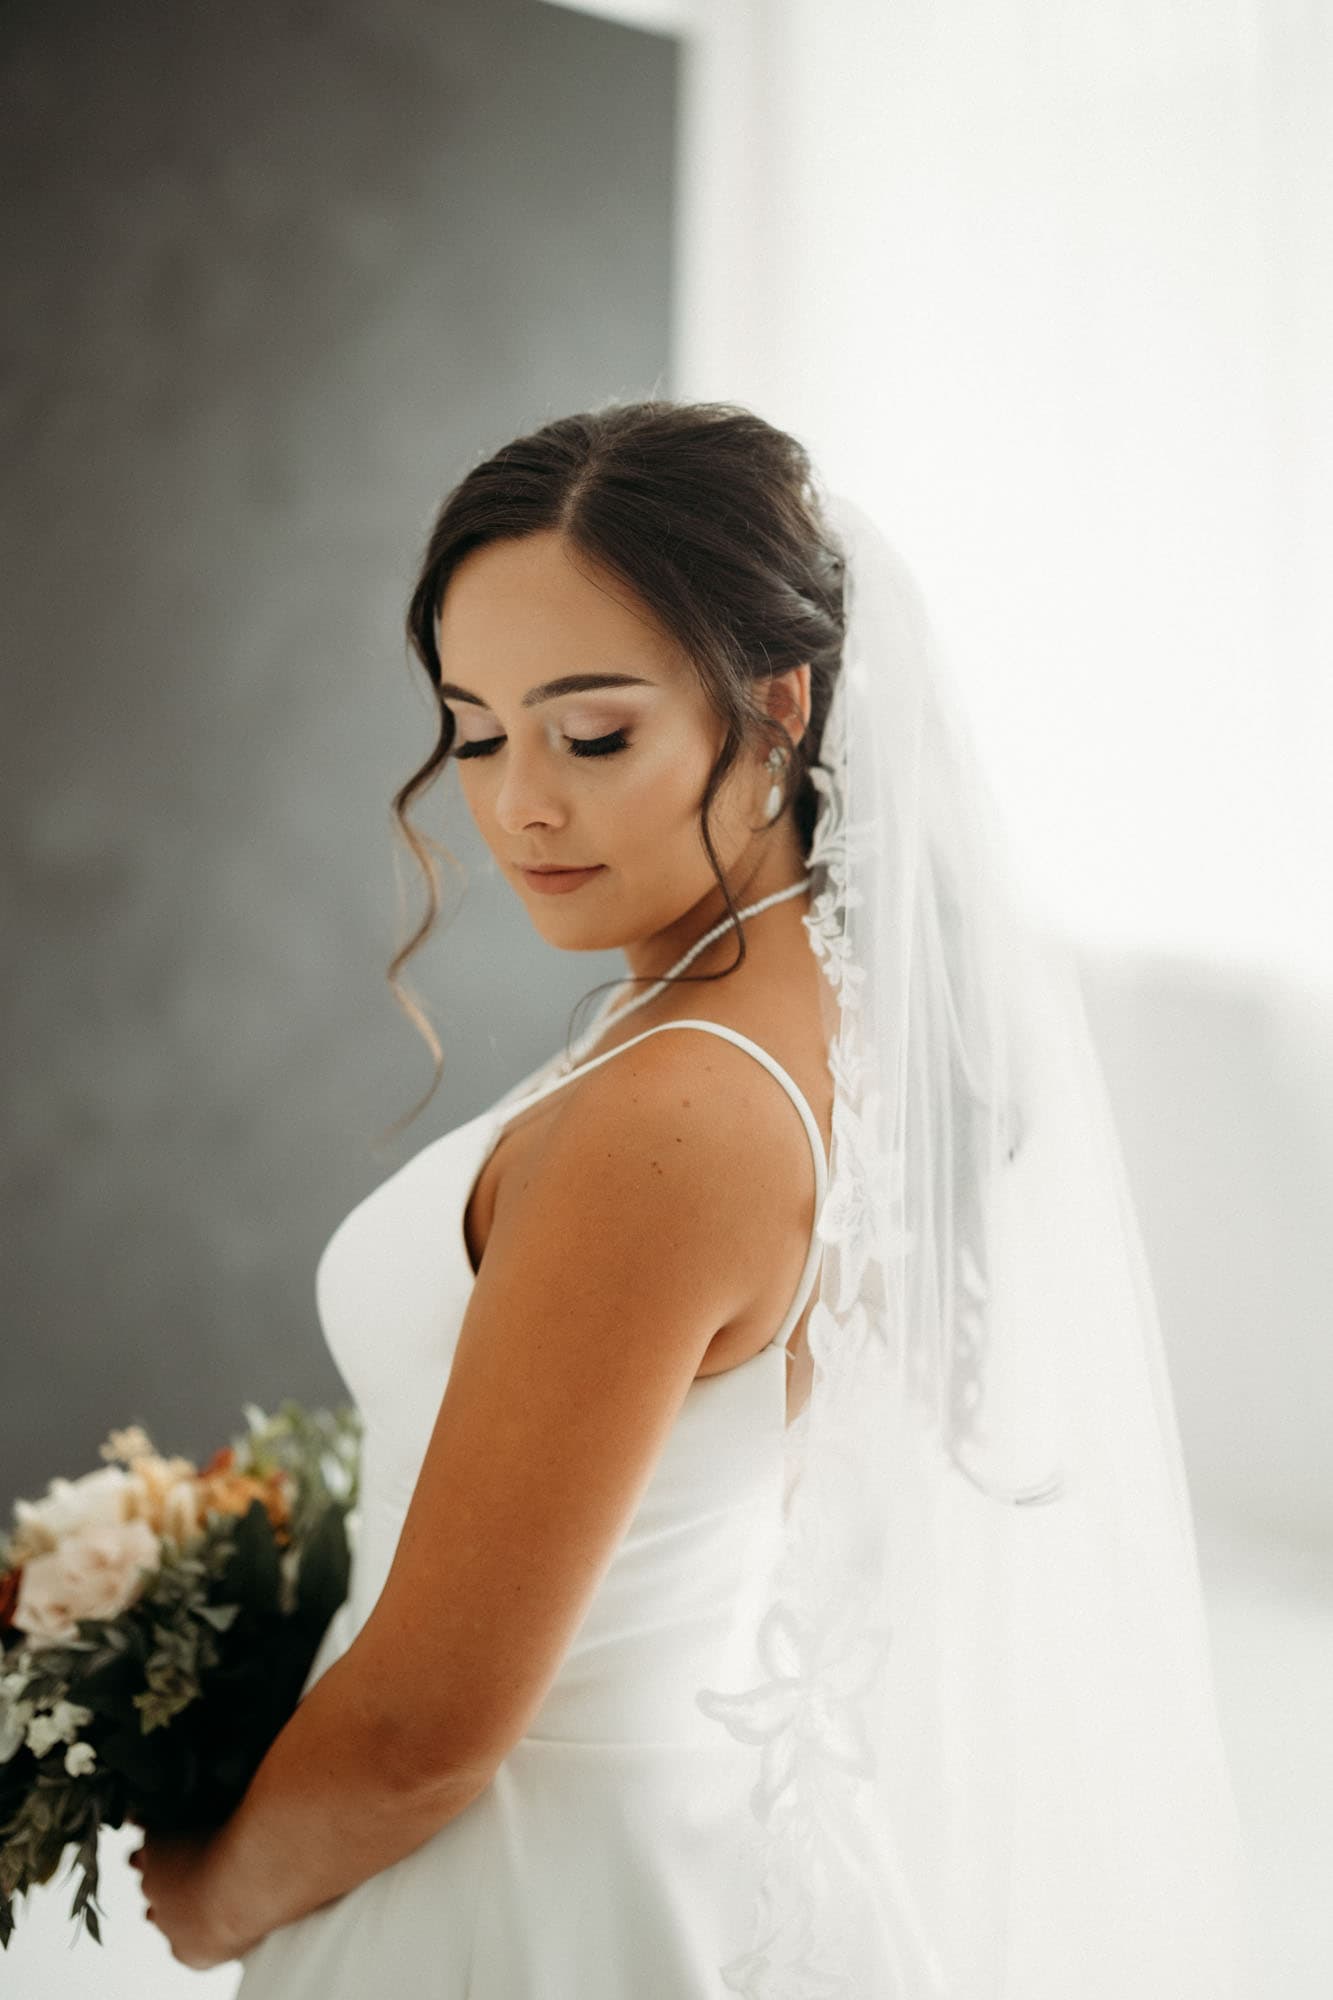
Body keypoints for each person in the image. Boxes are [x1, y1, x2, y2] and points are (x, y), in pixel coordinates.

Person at [136, 400, 1250, 1995]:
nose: (518, 804)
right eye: (472, 731)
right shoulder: (772, 1011)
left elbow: (426, 1739)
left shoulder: (674, 1116)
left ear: (776, 706)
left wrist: (214, 1901)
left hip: (518, 1891)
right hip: (647, 1823)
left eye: (592, 736)